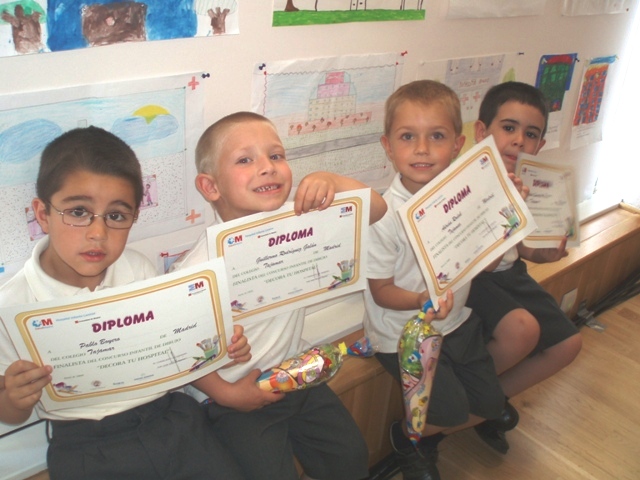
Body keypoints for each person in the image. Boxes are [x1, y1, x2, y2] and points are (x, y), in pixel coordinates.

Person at [0, 126, 250, 480]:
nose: (97, 233)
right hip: (86, 446)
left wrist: (221, 345)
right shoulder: (13, 305)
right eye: (78, 211)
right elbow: (10, 414)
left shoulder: (138, 269)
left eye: (116, 216)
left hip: (170, 419)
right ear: (42, 214)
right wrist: (15, 398)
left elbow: (174, 344)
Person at [171, 111, 388, 480]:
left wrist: (332, 180)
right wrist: (227, 395)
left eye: (276, 155)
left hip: (294, 374)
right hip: (233, 396)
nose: (267, 167)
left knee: (350, 456)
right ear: (210, 187)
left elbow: (377, 209)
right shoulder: (198, 269)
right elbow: (179, 350)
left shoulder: (302, 218)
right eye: (245, 160)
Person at [363, 80, 507, 480]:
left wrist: (506, 215)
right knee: (449, 411)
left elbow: (486, 263)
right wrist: (420, 300)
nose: (422, 149)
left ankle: (421, 435)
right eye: (408, 136)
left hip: (456, 322)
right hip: (402, 334)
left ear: (458, 145)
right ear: (388, 146)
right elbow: (380, 291)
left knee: (491, 404)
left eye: (437, 136)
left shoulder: (465, 196)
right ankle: (407, 439)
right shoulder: (383, 216)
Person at [468, 81, 582, 453]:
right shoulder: (464, 183)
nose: (519, 140)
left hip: (510, 275)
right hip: (474, 280)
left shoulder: (528, 184)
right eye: (509, 128)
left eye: (530, 134)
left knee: (568, 344)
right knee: (521, 331)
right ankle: (452, 417)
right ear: (481, 132)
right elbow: (477, 264)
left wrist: (543, 255)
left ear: (539, 145)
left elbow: (523, 248)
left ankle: (483, 407)